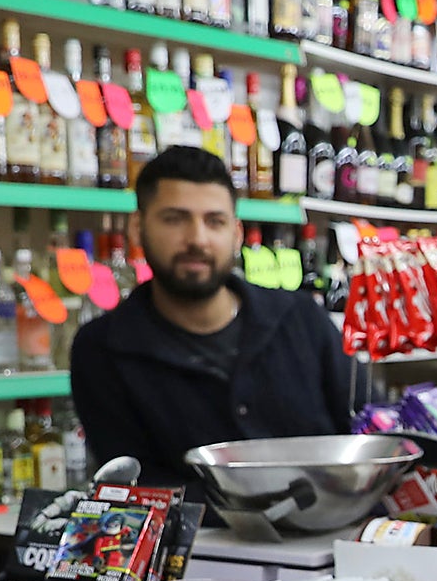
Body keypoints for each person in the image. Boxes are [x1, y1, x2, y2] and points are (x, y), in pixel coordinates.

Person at [68, 145, 358, 493]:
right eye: (175, 219)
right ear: (137, 228)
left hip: (332, 537)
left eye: (214, 221)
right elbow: (137, 490)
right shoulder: (103, 349)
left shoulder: (302, 320)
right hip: (199, 548)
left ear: (236, 234)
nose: (197, 239)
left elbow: (368, 427)